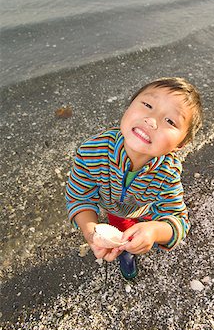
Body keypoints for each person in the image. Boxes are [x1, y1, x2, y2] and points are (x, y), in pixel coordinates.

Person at [66, 77, 203, 280]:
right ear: (129, 106)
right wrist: (91, 233)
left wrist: (155, 231)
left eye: (170, 121)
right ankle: (126, 254)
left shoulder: (167, 172)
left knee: (140, 236)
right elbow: (79, 198)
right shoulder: (92, 152)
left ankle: (134, 246)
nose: (151, 120)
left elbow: (178, 220)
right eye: (147, 105)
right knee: (122, 238)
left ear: (179, 145)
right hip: (115, 209)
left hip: (147, 208)